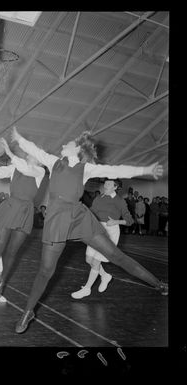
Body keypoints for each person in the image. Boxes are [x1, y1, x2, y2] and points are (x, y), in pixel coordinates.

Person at [11, 126, 168, 333]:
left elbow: (116, 170)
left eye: (68, 143)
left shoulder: (86, 168)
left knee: (115, 255)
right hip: (57, 219)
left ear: (77, 149)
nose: (63, 144)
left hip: (79, 217)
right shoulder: (53, 161)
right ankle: (28, 311)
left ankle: (159, 284)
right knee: (46, 270)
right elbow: (35, 150)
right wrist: (18, 138)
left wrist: (145, 170)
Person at [0, 138, 45, 301]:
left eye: (35, 154)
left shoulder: (40, 172)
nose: (30, 155)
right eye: (30, 153)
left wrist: (9, 152)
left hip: (25, 212)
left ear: (40, 159)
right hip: (10, 208)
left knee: (12, 252)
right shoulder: (15, 167)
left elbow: (26, 170)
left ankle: (1, 282)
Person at [71, 178, 134, 299]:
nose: (105, 185)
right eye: (105, 183)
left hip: (111, 231)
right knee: (89, 259)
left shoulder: (120, 201)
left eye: (109, 184)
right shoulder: (99, 198)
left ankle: (87, 288)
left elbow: (130, 220)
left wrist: (116, 221)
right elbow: (92, 212)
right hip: (96, 229)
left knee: (96, 262)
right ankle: (105, 276)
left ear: (115, 187)